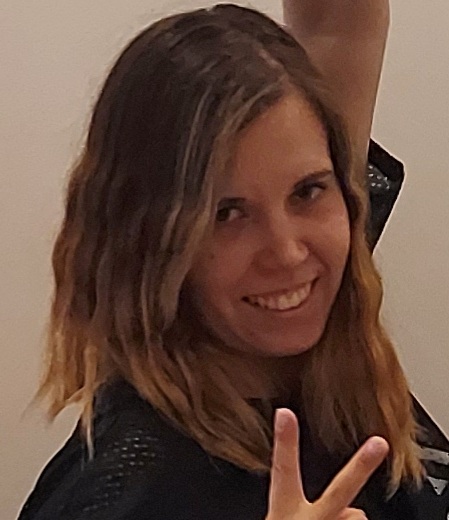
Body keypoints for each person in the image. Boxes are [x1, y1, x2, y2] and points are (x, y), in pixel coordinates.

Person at [18, 2, 449, 519]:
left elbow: (343, 22)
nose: (288, 252)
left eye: (307, 191)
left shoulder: (309, 320)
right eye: (227, 214)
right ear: (150, 241)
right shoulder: (131, 486)